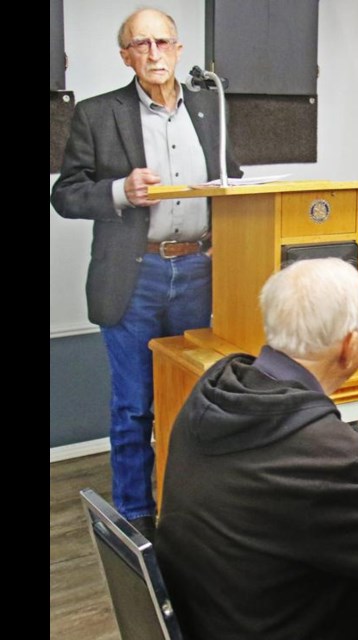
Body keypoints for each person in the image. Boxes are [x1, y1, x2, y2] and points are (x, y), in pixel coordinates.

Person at [155, 258, 358, 640]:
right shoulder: (338, 463)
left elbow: (300, 477)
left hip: (228, 613)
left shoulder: (217, 390)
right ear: (350, 344)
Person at [50, 8, 243, 538]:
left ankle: (190, 507)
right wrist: (118, 191)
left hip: (201, 272)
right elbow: (64, 194)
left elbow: (233, 180)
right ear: (126, 55)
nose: (154, 53)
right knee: (135, 405)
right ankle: (137, 517)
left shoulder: (210, 107)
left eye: (163, 42)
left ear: (180, 50)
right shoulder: (97, 113)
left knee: (197, 401)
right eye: (142, 44)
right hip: (135, 277)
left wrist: (229, 233)